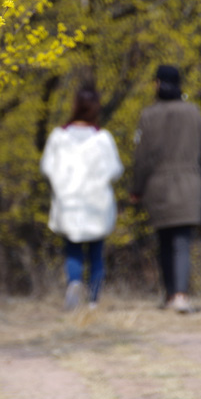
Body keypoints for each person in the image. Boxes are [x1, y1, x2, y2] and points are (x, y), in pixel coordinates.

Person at [130, 65, 201, 313]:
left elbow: (140, 157)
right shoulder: (194, 113)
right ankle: (181, 294)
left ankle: (170, 295)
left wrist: (136, 187)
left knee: (164, 240)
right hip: (189, 183)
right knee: (181, 241)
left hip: (158, 186)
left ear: (157, 84)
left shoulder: (147, 115)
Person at [41, 85, 123, 310]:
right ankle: (93, 302)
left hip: (69, 203)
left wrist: (62, 186)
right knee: (96, 252)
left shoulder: (59, 137)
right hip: (96, 203)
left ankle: (74, 283)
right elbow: (115, 169)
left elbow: (47, 166)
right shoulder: (102, 139)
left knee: (73, 249)